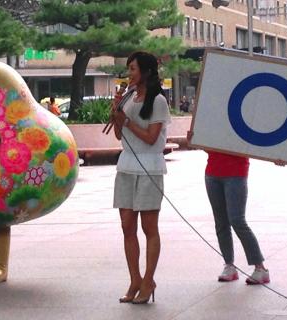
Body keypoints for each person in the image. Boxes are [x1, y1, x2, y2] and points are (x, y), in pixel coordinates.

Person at [111, 51, 171, 304]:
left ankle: (149, 279)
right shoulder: (127, 98)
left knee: (149, 227)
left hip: (149, 167)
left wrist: (126, 122)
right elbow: (117, 135)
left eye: (133, 68)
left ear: (145, 72)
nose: (130, 73)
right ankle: (134, 279)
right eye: (128, 68)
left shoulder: (158, 100)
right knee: (127, 226)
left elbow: (151, 137)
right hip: (126, 166)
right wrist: (117, 113)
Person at [188, 131, 270, 285]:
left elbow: (254, 142)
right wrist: (196, 140)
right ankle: (229, 265)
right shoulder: (214, 119)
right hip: (212, 173)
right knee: (221, 222)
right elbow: (214, 148)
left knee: (237, 220)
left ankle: (260, 268)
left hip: (236, 173)